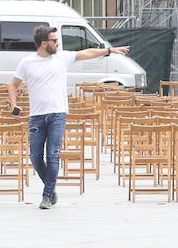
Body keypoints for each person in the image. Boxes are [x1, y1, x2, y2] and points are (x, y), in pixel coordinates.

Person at [7, 25, 130, 210]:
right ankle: (50, 187)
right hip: (36, 116)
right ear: (43, 43)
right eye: (54, 40)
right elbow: (13, 85)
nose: (57, 43)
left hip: (57, 114)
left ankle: (47, 195)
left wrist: (110, 50)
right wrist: (13, 104)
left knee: (53, 156)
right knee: (35, 157)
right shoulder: (26, 62)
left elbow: (86, 53)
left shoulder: (62, 58)